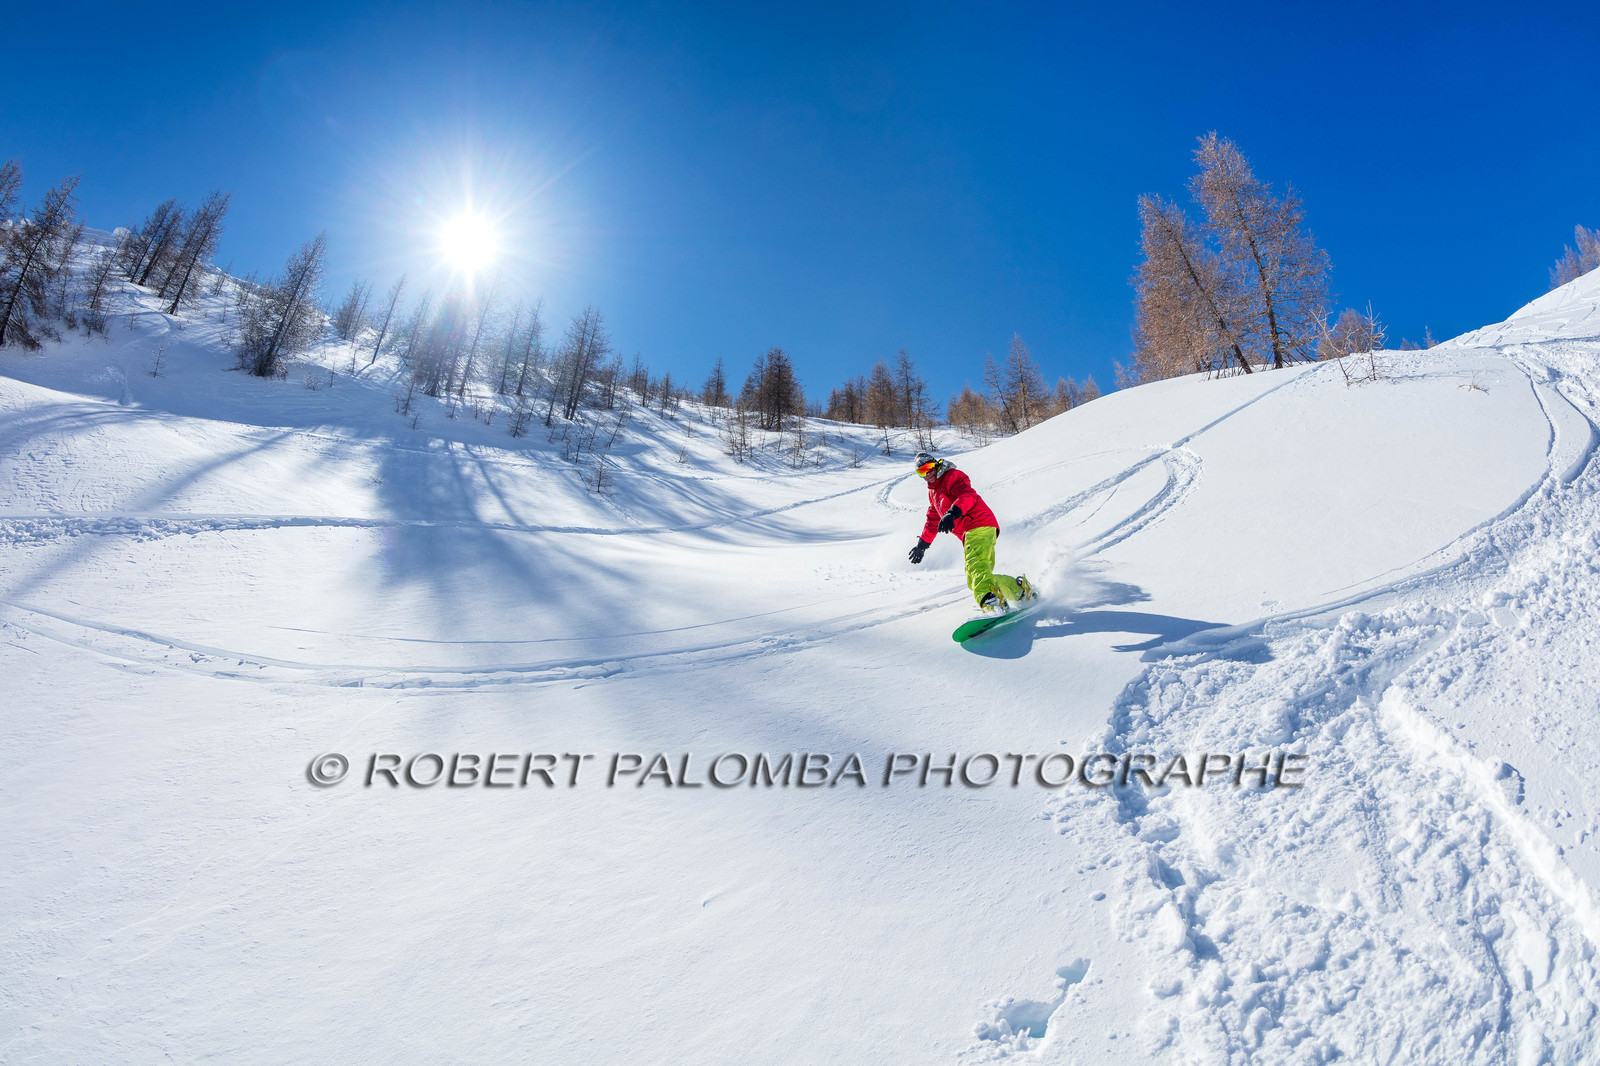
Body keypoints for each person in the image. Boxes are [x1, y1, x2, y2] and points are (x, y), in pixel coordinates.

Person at [907, 451, 1034, 613]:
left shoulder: (952, 476)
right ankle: (1020, 591)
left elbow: (968, 495)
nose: (928, 473)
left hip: (978, 523)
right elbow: (932, 521)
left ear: (936, 464)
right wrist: (921, 546)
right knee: (974, 577)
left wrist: (953, 513)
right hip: (969, 534)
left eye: (929, 467)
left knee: (977, 568)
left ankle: (992, 603)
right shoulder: (933, 493)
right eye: (921, 471)